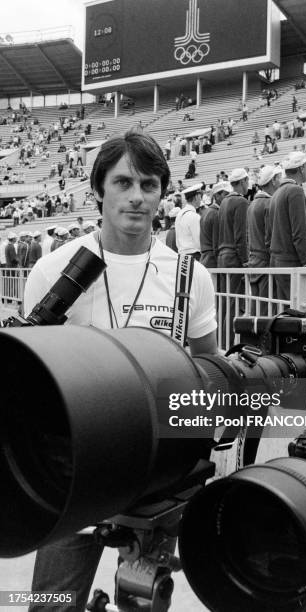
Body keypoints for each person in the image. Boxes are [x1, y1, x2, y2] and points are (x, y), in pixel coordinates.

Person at [25, 130, 217, 612]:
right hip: (72, 477)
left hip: (157, 478)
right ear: (98, 189)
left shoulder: (190, 276)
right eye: (123, 182)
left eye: (149, 185)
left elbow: (209, 368)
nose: (136, 197)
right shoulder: (53, 272)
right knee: (51, 604)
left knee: (143, 606)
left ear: (162, 194)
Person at [269, 152, 306, 307]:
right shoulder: (295, 191)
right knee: (305, 315)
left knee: (286, 314)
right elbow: (299, 232)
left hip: (279, 262)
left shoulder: (277, 193)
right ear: (302, 168)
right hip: (292, 262)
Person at [217, 168, 249, 345]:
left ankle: (221, 341)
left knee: (225, 303)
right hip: (233, 258)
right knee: (235, 303)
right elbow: (241, 237)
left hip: (223, 256)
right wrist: (245, 261)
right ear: (243, 181)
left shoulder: (224, 203)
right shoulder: (241, 202)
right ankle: (227, 344)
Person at [247, 165, 282, 315]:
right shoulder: (268, 204)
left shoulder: (252, 204)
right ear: (273, 180)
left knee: (256, 308)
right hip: (265, 262)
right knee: (267, 311)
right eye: (279, 177)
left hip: (254, 261)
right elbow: (270, 239)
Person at [200, 181, 230, 269]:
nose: (228, 197)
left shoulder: (207, 212)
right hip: (212, 260)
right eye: (226, 194)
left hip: (206, 259)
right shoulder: (216, 213)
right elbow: (217, 243)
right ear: (217, 196)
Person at [175, 183, 202, 259]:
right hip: (194, 255)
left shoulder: (180, 214)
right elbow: (199, 242)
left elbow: (177, 240)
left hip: (182, 255)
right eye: (200, 196)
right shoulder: (194, 216)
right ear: (196, 197)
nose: (201, 199)